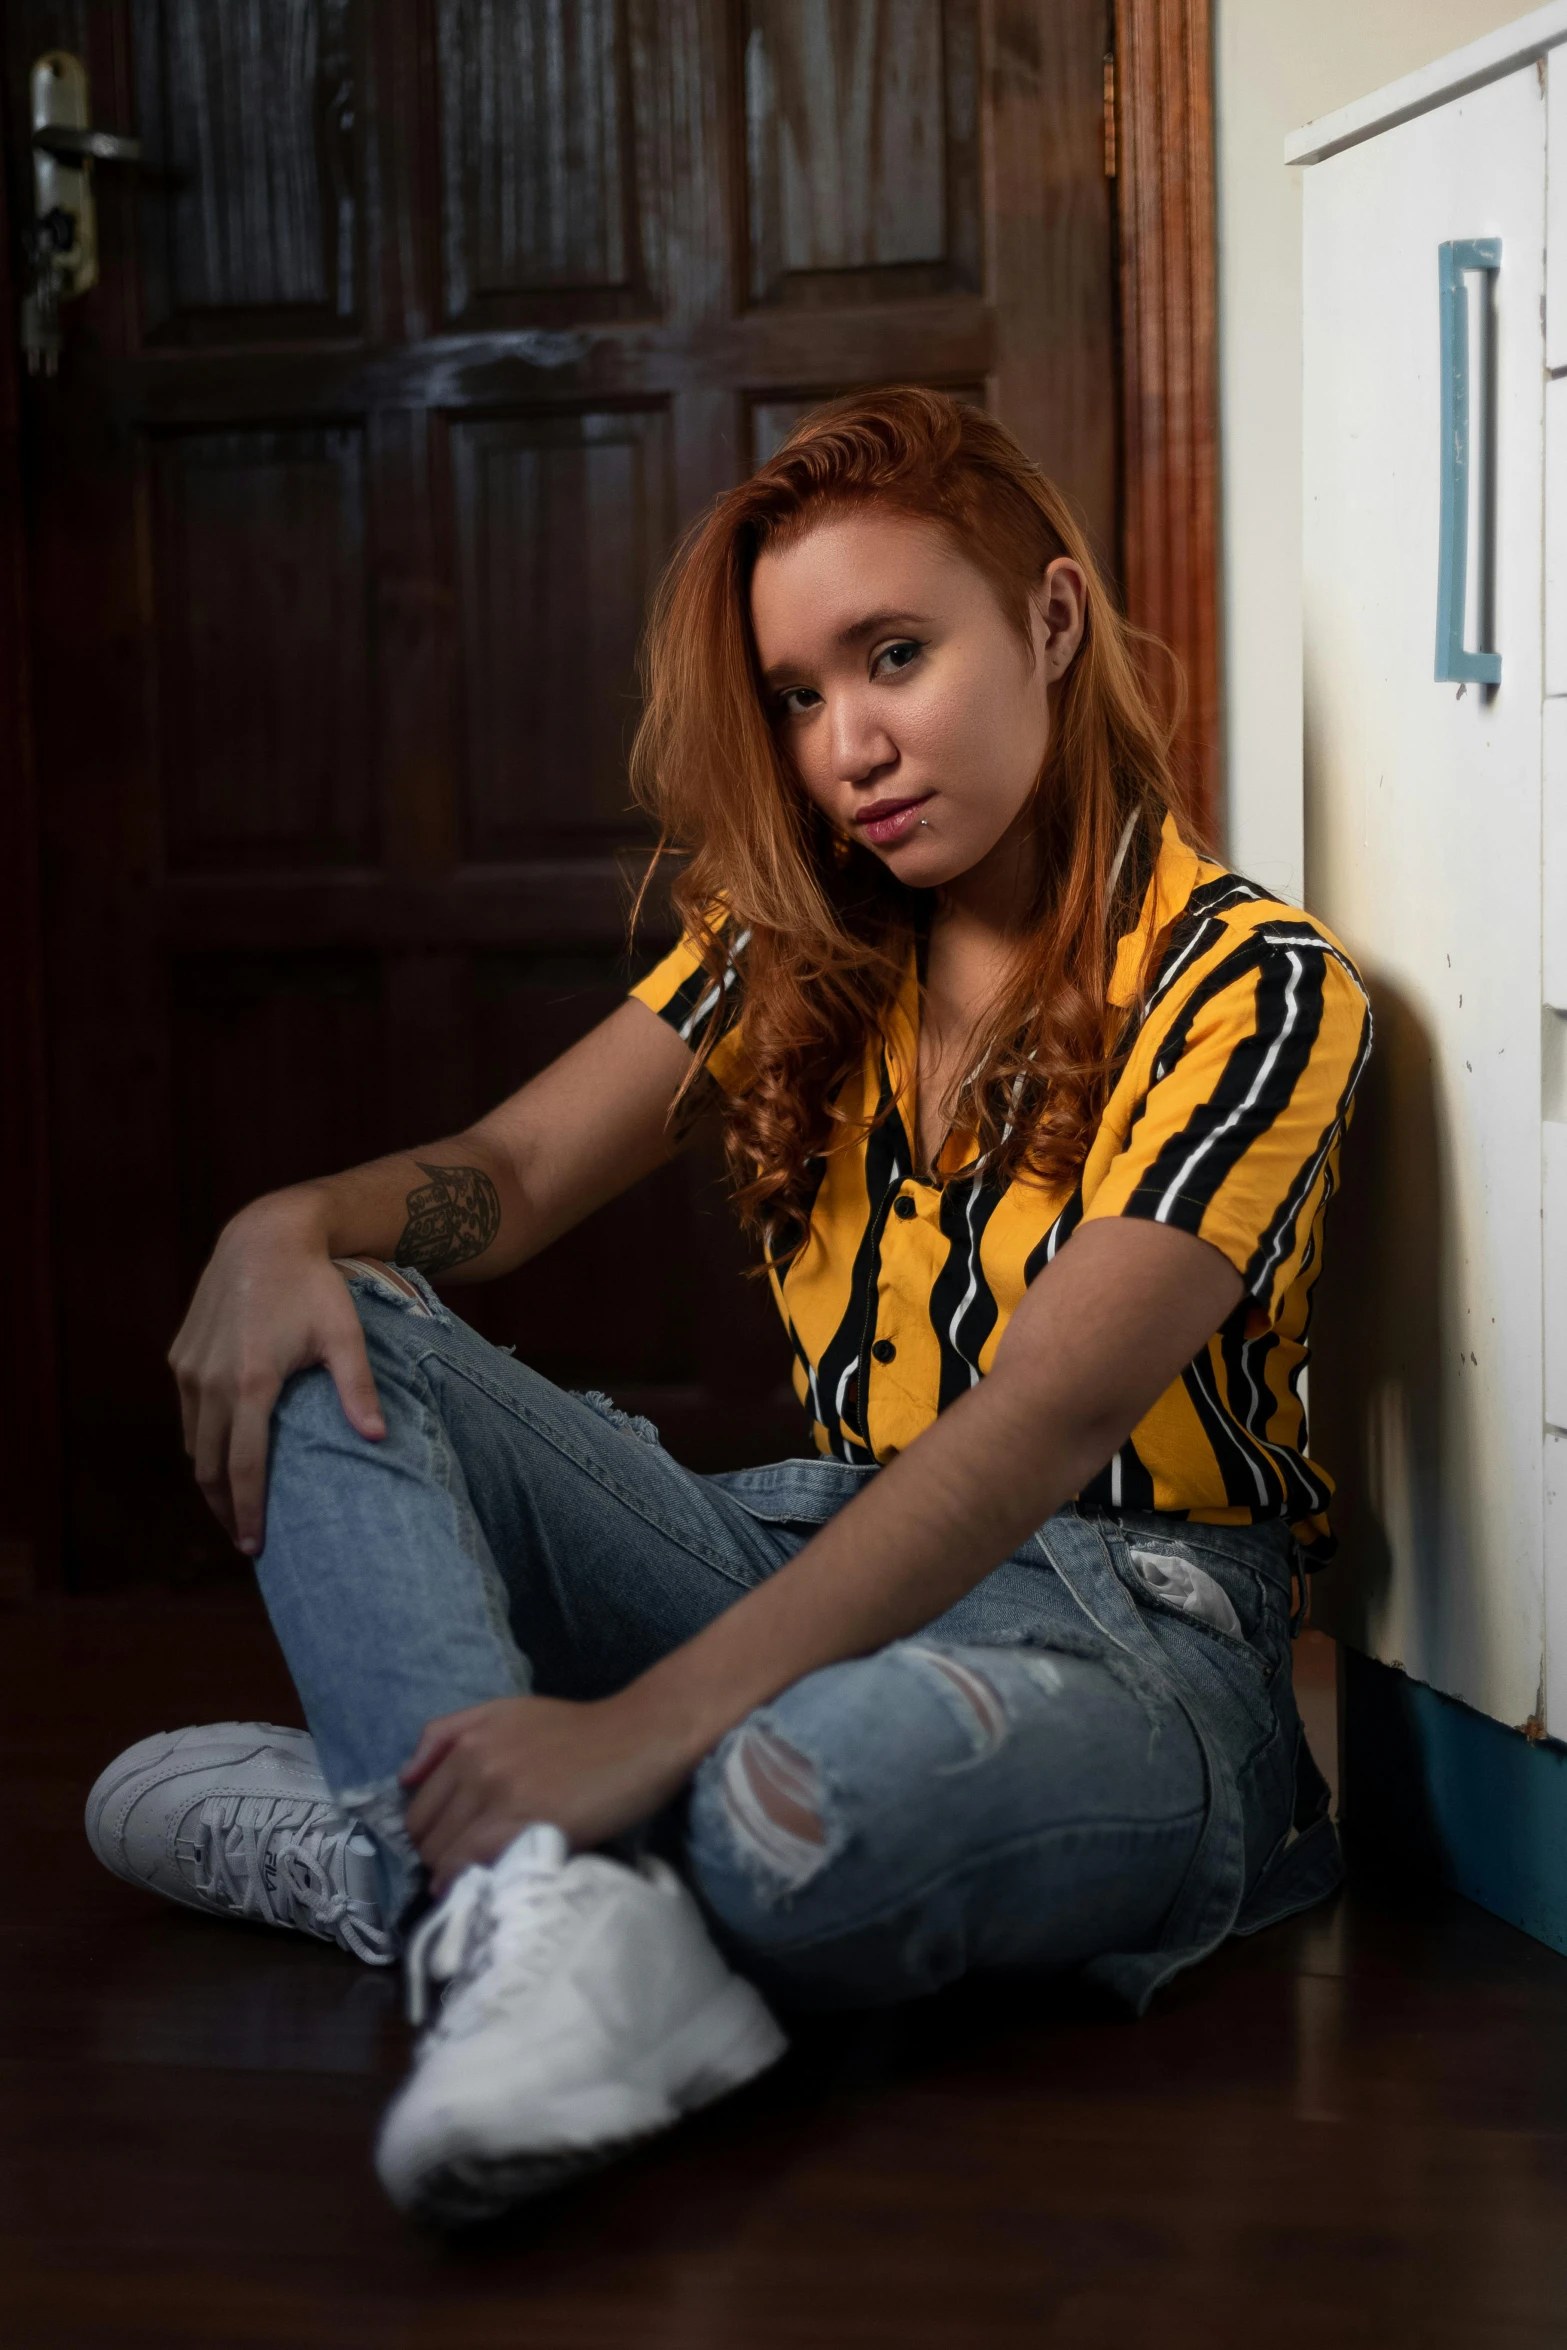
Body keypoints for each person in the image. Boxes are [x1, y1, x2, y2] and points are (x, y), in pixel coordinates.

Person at [85, 390, 1370, 2226]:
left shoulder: (1256, 987)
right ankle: (524, 1905)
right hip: (806, 1563)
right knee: (331, 1316)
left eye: (896, 655)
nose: (847, 744)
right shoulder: (796, 944)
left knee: (800, 1809)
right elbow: (510, 1181)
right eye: (794, 693)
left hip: (1139, 1628)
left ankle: (410, 1841)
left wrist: (635, 1728)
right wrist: (282, 1222)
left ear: (1054, 624)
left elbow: (1042, 1425)